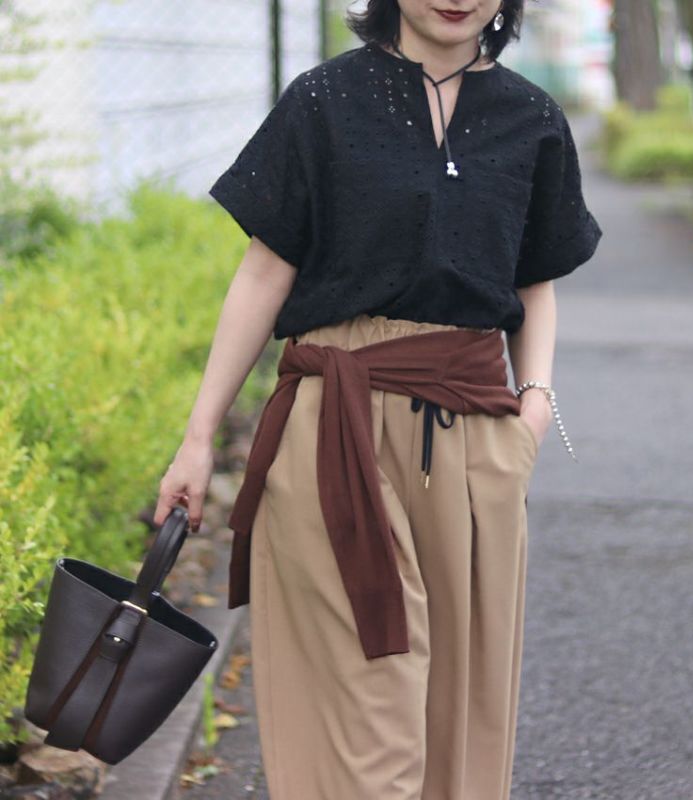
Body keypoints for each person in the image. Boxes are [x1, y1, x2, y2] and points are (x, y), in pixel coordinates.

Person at [155, 0, 602, 797]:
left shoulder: (533, 118)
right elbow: (265, 271)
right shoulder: (323, 100)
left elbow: (535, 280)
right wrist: (198, 439)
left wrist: (533, 406)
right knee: (371, 718)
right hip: (332, 432)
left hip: (473, 438)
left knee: (457, 712)